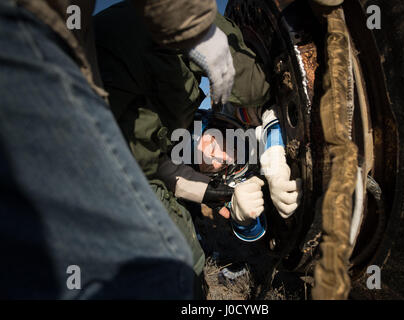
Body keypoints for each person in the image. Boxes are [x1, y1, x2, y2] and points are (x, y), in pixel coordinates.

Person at [0, 0, 234, 299]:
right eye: (217, 150)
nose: (219, 157)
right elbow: (145, 160)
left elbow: (149, 160)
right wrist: (195, 27)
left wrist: (207, 190)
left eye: (222, 159)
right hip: (30, 47)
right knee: (169, 266)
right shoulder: (150, 93)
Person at [93, 1, 272, 281]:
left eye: (225, 167)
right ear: (216, 126)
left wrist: (225, 200)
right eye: (231, 148)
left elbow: (157, 167)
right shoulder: (180, 103)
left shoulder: (170, 141)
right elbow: (252, 85)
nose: (220, 160)